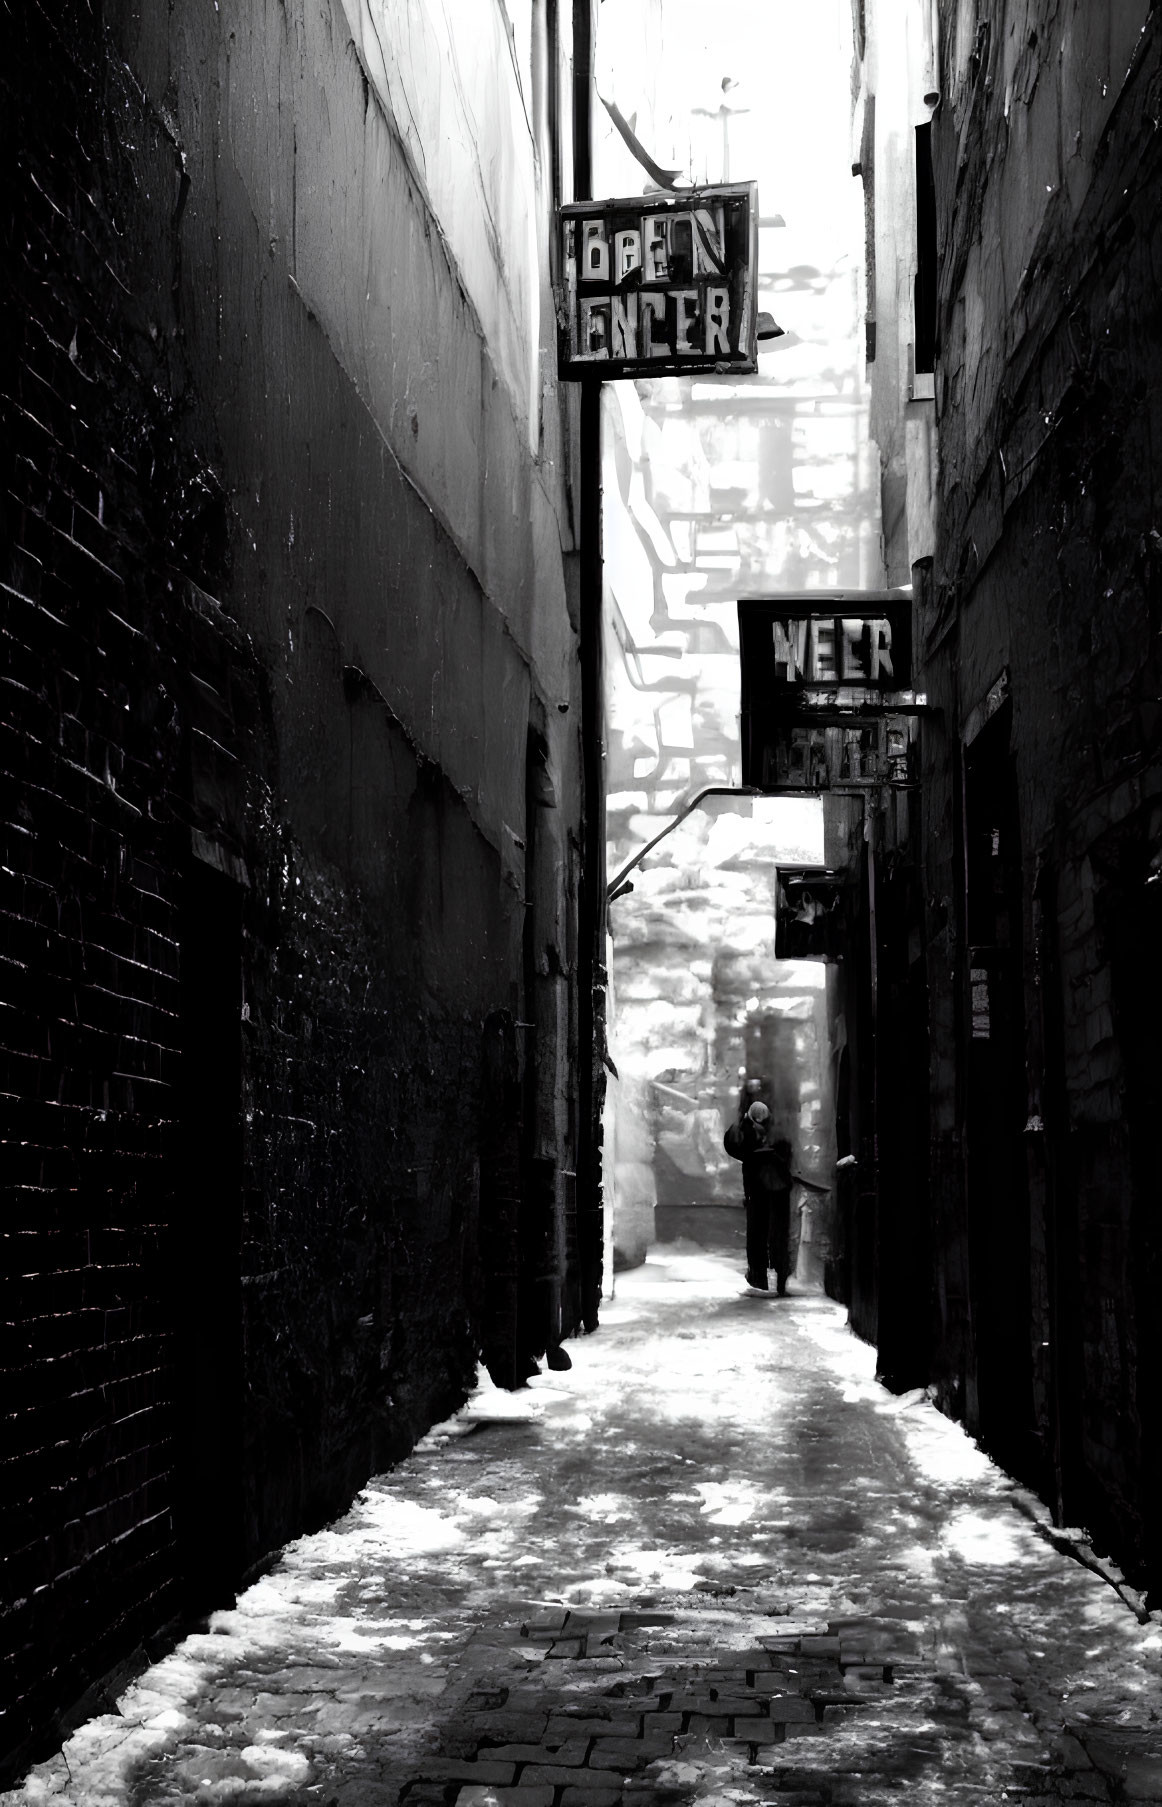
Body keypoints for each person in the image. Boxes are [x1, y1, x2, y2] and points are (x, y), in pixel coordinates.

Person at [723, 1103, 828, 1295]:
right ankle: (772, 1279)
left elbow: (734, 1148)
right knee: (773, 1233)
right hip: (773, 1188)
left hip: (763, 1189)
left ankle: (765, 1278)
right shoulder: (768, 1129)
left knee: (763, 1233)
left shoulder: (750, 1131)